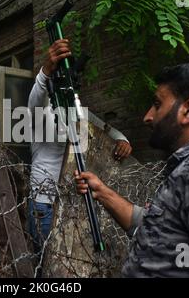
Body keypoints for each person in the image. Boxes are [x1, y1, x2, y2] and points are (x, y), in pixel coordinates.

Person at [75, 62, 189, 277]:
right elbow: (161, 231)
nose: (148, 116)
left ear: (188, 111)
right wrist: (102, 192)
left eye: (157, 104)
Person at [28, 39, 132, 256]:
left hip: (74, 203)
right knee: (45, 260)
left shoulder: (80, 113)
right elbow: (36, 97)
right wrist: (46, 70)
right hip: (44, 203)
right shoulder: (40, 111)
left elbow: (108, 130)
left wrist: (123, 141)